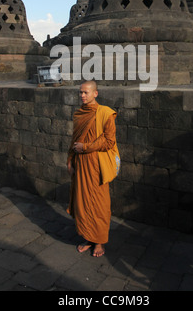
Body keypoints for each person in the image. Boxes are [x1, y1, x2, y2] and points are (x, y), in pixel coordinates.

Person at [67, 80, 118, 257]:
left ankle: (99, 242)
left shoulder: (105, 113)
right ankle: (89, 237)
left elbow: (109, 141)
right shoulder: (79, 114)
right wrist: (70, 160)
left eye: (86, 92)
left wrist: (86, 147)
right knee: (82, 202)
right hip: (81, 164)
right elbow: (74, 140)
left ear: (95, 93)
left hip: (96, 165)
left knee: (98, 203)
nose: (82, 95)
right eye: (80, 92)